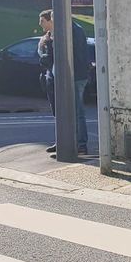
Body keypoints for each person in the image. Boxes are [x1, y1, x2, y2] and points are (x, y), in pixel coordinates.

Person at [38, 9, 91, 156]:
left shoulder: (72, 30)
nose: (54, 22)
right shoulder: (66, 30)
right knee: (64, 110)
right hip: (65, 75)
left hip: (75, 76)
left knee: (77, 111)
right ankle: (64, 141)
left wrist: (51, 44)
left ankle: (80, 144)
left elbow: (72, 54)